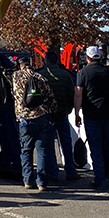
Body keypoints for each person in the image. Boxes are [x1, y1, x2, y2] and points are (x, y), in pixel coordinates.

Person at [74, 45, 109, 189]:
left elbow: (78, 94)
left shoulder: (83, 73)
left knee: (95, 148)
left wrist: (77, 112)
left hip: (91, 114)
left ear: (88, 57)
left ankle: (100, 180)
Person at [12, 55, 57, 191]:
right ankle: (42, 182)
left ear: (19, 65)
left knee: (26, 150)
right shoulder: (40, 77)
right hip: (42, 116)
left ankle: (28, 180)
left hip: (25, 118)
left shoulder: (16, 77)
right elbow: (51, 97)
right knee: (42, 150)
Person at [38, 49, 79, 182]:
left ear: (46, 61)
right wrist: (68, 109)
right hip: (62, 113)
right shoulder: (65, 75)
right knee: (66, 143)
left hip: (47, 114)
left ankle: (53, 172)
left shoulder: (41, 75)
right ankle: (70, 170)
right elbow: (70, 94)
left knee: (48, 143)